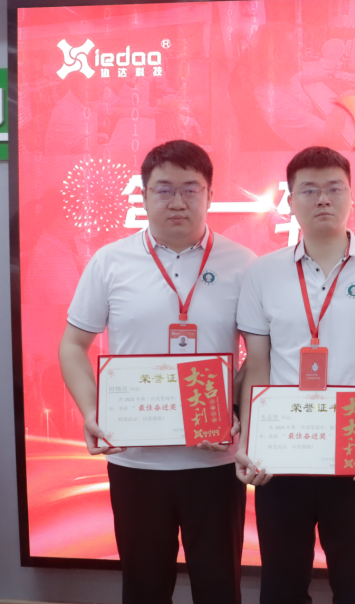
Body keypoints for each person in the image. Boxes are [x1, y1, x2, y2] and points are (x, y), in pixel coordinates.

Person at [59, 140, 255, 604]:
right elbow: (73, 344)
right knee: (143, 588)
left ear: (210, 195)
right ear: (144, 195)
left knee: (219, 588)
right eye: (163, 189)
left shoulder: (244, 264)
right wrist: (92, 412)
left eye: (191, 189)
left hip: (214, 464)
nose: (177, 201)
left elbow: (259, 355)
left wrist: (233, 409)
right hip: (135, 462)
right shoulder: (110, 262)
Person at [232, 146, 355, 604]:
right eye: (309, 190)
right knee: (282, 583)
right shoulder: (263, 272)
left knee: (354, 583)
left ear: (353, 196)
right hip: (283, 452)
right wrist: (251, 441)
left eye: (334, 188)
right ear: (290, 201)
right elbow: (257, 364)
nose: (323, 199)